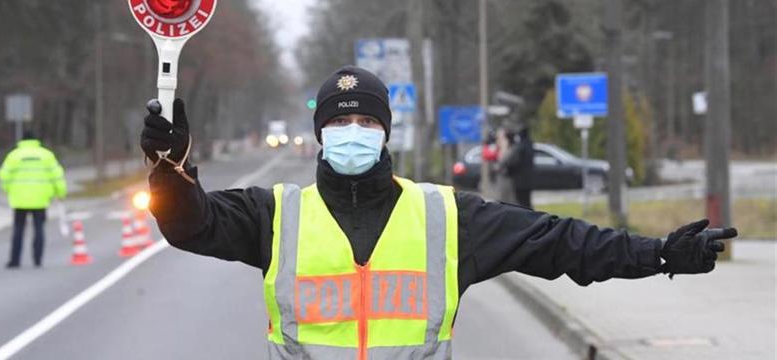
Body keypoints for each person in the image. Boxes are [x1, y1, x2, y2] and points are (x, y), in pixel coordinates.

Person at [140, 65, 737, 359]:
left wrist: (658, 254)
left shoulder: (446, 216)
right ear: (320, 133)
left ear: (385, 132)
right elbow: (192, 224)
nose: (354, 132)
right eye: (340, 121)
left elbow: (561, 244)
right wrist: (171, 171)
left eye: (367, 121)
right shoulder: (275, 214)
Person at [0, 131, 67, 268]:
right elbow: (57, 175)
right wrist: (60, 193)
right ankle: (37, 259)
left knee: (18, 230)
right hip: (40, 198)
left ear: (22, 140)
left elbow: (3, 175)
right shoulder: (46, 155)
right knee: (39, 228)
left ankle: (15, 260)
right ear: (36, 140)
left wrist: (7, 190)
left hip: (19, 199)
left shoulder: (14, 155)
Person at [500, 125, 535, 209]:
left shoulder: (520, 147)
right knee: (526, 201)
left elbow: (512, 162)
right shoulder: (530, 145)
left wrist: (507, 170)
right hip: (529, 178)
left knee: (521, 202)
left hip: (519, 179)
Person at [492, 128, 517, 204]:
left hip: (507, 180)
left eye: (500, 138)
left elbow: (502, 163)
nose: (498, 141)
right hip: (501, 179)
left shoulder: (510, 150)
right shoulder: (500, 149)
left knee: (506, 200)